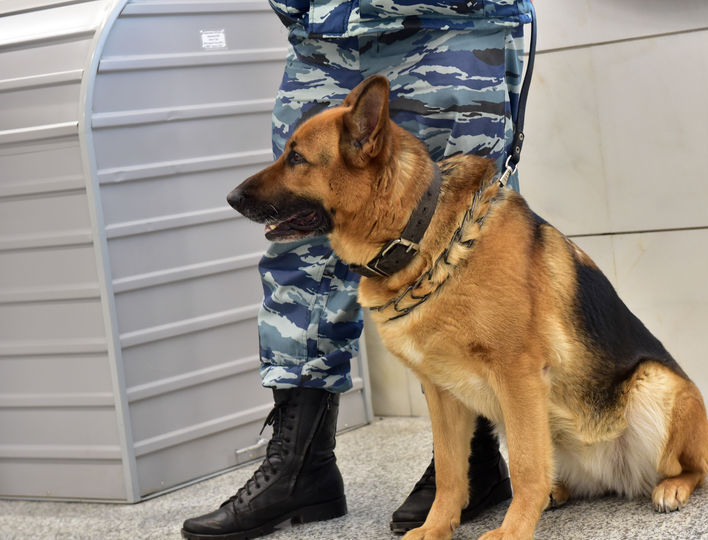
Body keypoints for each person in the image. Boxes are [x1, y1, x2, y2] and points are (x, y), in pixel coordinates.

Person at [181, 1, 534, 539]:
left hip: (451, 24)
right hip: (326, 31)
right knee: (299, 245)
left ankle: (476, 464)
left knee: (467, 242)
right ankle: (301, 466)